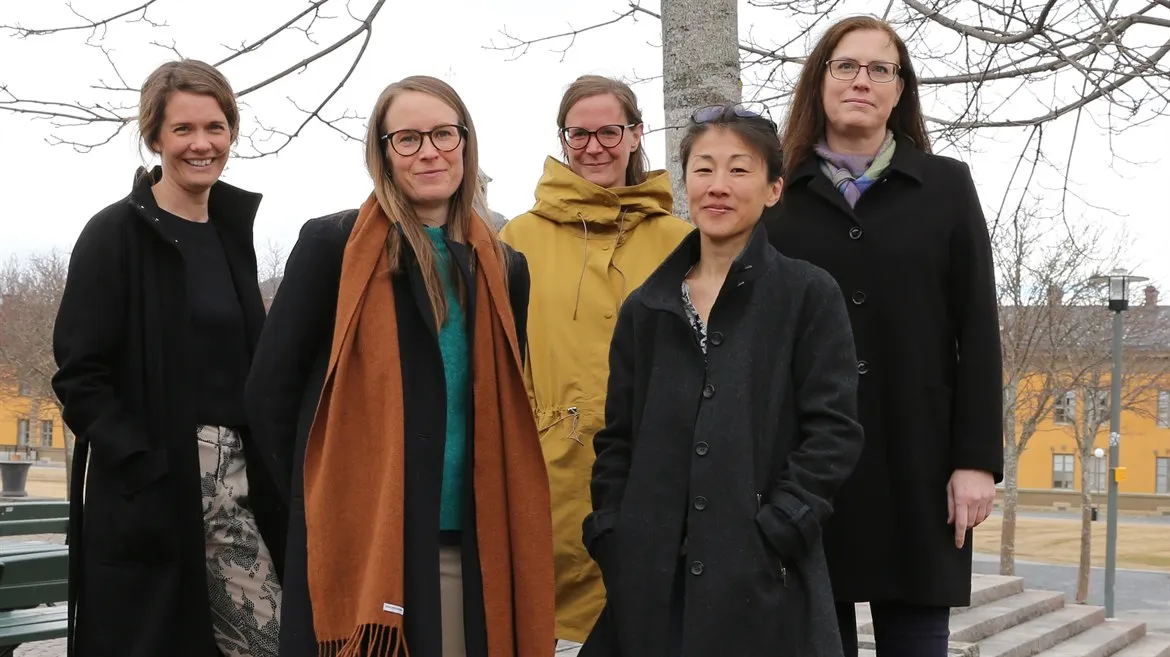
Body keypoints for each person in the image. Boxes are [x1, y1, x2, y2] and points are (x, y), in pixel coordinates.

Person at [244, 75, 553, 657]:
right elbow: (270, 392)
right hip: (364, 545)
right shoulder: (332, 246)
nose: (430, 151)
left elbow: (499, 402)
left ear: (466, 142)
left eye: (443, 133)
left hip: (472, 543)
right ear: (382, 152)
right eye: (407, 139)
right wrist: (331, 496)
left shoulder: (506, 267)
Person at [580, 104, 864, 657]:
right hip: (650, 586)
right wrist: (613, 532)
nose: (718, 186)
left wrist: (781, 527)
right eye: (704, 169)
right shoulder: (648, 307)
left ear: (774, 188)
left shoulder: (807, 295)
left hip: (763, 582)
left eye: (739, 169)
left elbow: (834, 432)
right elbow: (617, 440)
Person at [762, 16, 1004, 657]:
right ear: (820, 81)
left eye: (880, 69)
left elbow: (977, 330)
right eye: (845, 66)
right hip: (807, 465)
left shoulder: (947, 187)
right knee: (813, 639)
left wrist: (975, 461)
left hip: (918, 459)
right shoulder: (777, 197)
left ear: (900, 89)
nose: (861, 81)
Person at [52, 59, 285, 657]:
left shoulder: (232, 235)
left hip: (239, 486)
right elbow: (81, 375)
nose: (201, 144)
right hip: (154, 486)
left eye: (215, 127)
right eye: (183, 129)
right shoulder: (115, 235)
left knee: (269, 641)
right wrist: (144, 464)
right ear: (154, 136)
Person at [499, 74, 693, 654]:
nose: (594, 146)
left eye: (610, 130)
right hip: (547, 482)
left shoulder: (683, 241)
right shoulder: (516, 239)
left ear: (635, 135)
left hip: (660, 483)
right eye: (578, 134)